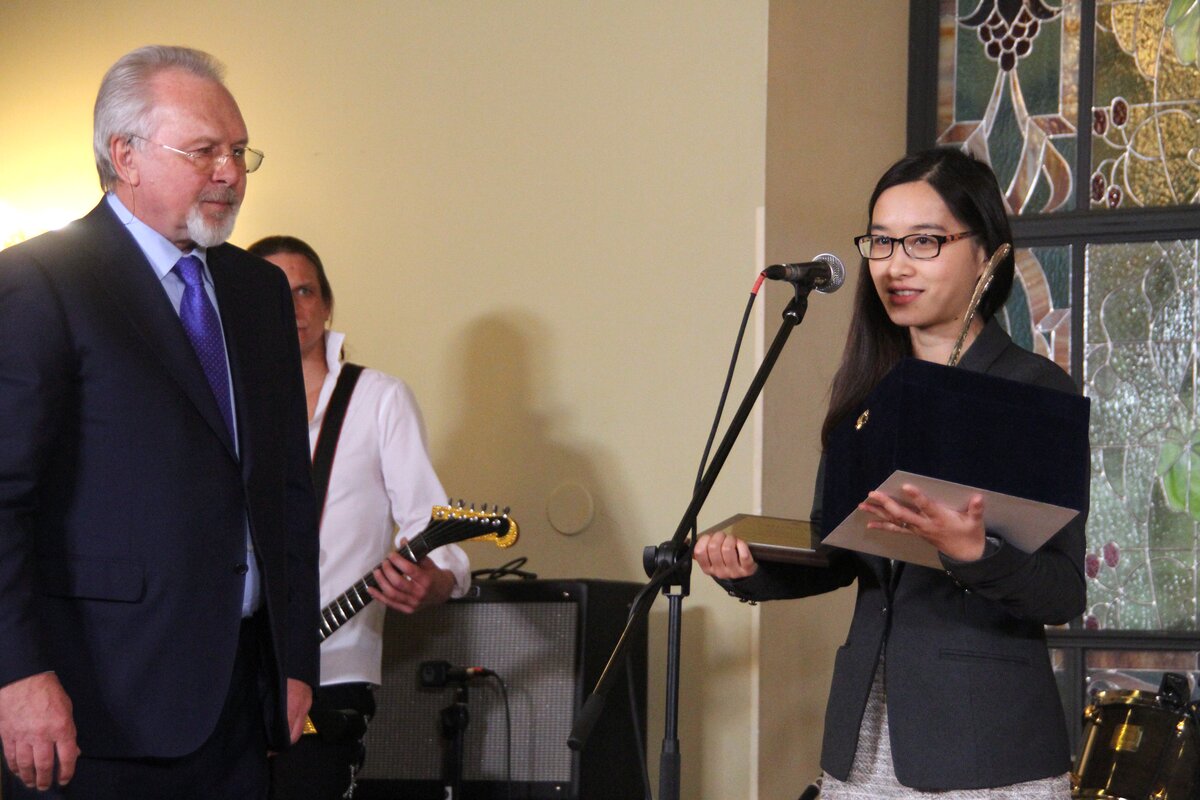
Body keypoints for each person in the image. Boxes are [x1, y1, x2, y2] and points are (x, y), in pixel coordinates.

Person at [694, 148, 1086, 798]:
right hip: (862, 746)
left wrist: (972, 551)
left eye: (924, 242)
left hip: (985, 749)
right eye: (881, 241)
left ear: (986, 254)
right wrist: (750, 570)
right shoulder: (867, 394)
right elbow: (841, 556)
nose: (895, 264)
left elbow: (1063, 592)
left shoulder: (1033, 390)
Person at [0, 46, 319, 799]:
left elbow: (285, 492)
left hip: (242, 704)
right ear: (126, 156)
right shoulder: (41, 282)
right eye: (204, 151)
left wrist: (296, 660)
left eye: (239, 151)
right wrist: (16, 674)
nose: (230, 173)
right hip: (94, 706)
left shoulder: (258, 291)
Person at [247, 236, 471, 799]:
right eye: (273, 294)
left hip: (333, 671)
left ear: (327, 304)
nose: (292, 308)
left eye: (305, 291)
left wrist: (436, 580)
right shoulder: (224, 403)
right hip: (226, 676)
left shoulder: (378, 399)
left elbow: (429, 523)